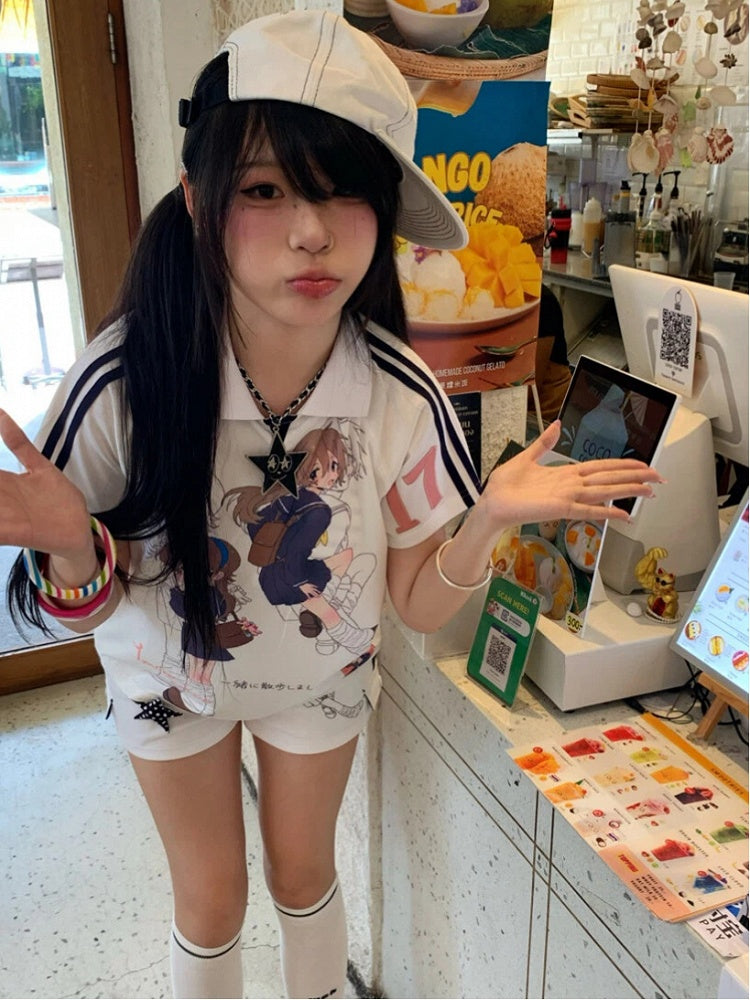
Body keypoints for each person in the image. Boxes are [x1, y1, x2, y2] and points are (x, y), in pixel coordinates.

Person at [0, 11, 664, 999]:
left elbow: (419, 605)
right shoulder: (124, 378)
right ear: (198, 198)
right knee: (210, 900)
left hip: (317, 676)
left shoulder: (399, 390)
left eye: (345, 188)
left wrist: (485, 519)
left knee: (304, 876)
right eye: (265, 190)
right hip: (165, 674)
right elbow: (72, 611)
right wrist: (70, 547)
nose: (311, 231)